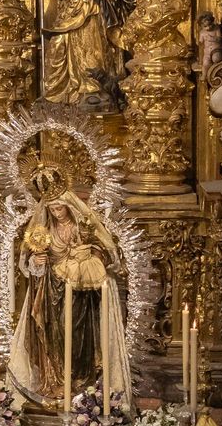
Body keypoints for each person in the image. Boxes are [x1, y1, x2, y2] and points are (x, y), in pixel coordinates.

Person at [8, 167, 131, 409]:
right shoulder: (44, 231)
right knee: (53, 337)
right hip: (50, 295)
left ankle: (79, 381)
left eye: (60, 208)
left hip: (79, 296)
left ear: (69, 206)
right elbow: (32, 261)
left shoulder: (81, 227)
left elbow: (101, 252)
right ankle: (53, 379)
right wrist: (36, 262)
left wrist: (88, 257)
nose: (57, 213)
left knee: (76, 336)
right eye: (52, 209)